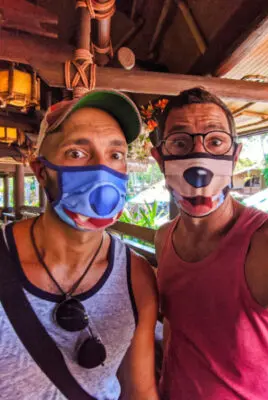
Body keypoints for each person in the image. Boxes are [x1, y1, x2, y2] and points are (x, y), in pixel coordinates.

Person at [0, 90, 159, 400]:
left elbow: (140, 391)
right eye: (77, 153)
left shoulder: (136, 275)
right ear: (41, 172)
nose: (103, 170)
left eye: (115, 155)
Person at [150, 87, 268, 400]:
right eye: (179, 142)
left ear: (234, 155)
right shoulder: (164, 237)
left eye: (215, 141)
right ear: (158, 158)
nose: (199, 154)